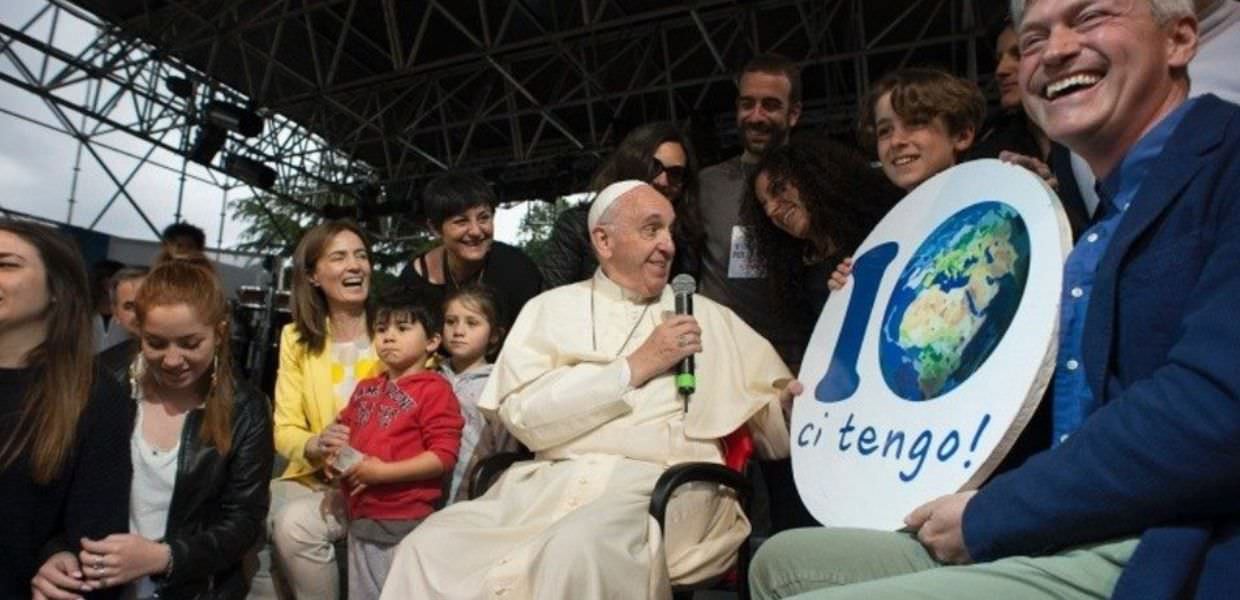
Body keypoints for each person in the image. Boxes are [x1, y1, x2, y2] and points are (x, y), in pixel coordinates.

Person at [750, 1, 1240, 598]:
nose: (1055, 50)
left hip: (1169, 537)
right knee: (779, 562)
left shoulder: (1224, 166)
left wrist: (992, 513)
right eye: (1033, 38)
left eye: (1089, 18)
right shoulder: (1104, 219)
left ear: (1180, 40)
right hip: (1075, 516)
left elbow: (1213, 411)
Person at [379, 181, 799, 599]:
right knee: (428, 546)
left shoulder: (709, 316)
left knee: (576, 549)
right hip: (545, 486)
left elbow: (769, 418)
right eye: (651, 230)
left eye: (670, 232)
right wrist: (636, 367)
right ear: (603, 240)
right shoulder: (549, 308)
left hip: (662, 488)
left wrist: (790, 408)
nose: (668, 246)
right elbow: (524, 416)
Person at [56, 257, 273, 599]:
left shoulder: (246, 410)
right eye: (156, 343)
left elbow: (243, 522)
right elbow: (55, 485)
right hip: (92, 588)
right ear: (138, 331)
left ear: (218, 333)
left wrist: (163, 558)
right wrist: (54, 553)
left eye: (190, 344)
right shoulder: (100, 381)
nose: (172, 360)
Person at [1, 221, 129, 600]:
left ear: (57, 288)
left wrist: (62, 555)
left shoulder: (92, 395)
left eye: (6, 264)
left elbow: (96, 539)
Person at [264, 220, 382, 600]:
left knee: (291, 526)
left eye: (361, 256)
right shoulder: (295, 339)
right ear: (313, 275)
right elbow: (284, 429)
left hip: (375, 478)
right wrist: (317, 444)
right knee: (246, 510)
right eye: (340, 257)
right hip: (311, 475)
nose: (355, 266)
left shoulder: (395, 332)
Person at [332, 288, 463, 600]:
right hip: (360, 513)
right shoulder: (366, 387)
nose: (388, 337)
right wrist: (334, 454)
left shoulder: (435, 390)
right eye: (381, 329)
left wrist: (383, 474)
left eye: (402, 329)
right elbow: (344, 431)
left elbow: (443, 456)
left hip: (402, 517)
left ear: (432, 341)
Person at [742, 137, 902, 344]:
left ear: (815, 178)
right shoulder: (794, 273)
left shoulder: (882, 233)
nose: (772, 210)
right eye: (764, 204)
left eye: (778, 189)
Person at [698, 54, 804, 366]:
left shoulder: (816, 181)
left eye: (770, 105)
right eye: (747, 104)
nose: (755, 116)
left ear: (793, 114)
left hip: (796, 359)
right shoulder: (706, 183)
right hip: (720, 357)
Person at [541, 121, 705, 288]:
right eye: (654, 166)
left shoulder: (683, 239)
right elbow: (552, 304)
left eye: (675, 173)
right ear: (631, 165)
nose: (662, 180)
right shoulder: (578, 226)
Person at [968, 22, 1092, 237]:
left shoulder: (1094, 127)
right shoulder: (992, 150)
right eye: (999, 59)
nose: (1001, 70)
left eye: (1018, 54)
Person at [398, 172, 542, 334]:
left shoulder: (517, 269)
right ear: (435, 228)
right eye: (461, 221)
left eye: (483, 218)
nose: (475, 231)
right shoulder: (414, 281)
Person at [439, 285, 518, 503]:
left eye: (472, 323)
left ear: (494, 335)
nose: (458, 331)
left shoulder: (498, 386)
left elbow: (506, 454)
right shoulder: (431, 377)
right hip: (423, 497)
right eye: (451, 321)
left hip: (473, 498)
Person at [97, 266, 149, 378]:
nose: (140, 312)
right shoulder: (102, 367)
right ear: (115, 313)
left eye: (147, 302)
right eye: (130, 306)